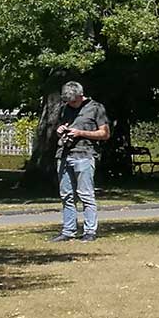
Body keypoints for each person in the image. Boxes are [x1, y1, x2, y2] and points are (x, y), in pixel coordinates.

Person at [52, 81, 110, 242]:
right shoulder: (65, 109)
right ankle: (68, 230)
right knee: (66, 195)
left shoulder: (95, 107)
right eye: (68, 101)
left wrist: (80, 133)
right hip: (64, 154)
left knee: (86, 195)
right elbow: (60, 128)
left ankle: (90, 231)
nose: (71, 104)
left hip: (85, 155)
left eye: (73, 101)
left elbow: (105, 134)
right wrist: (60, 131)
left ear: (80, 95)